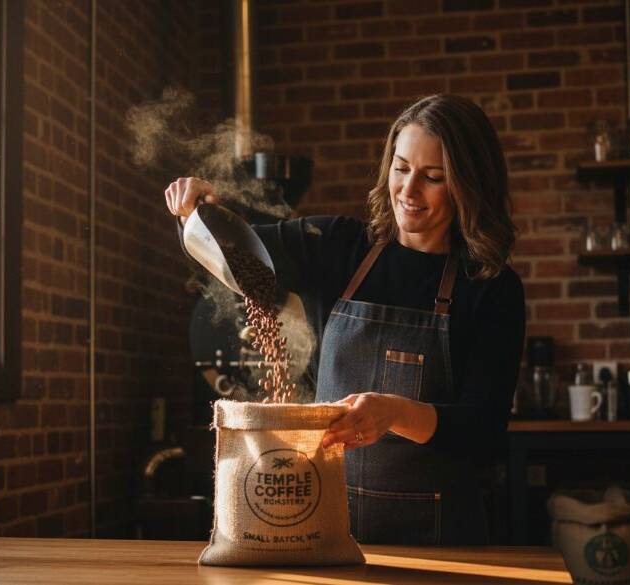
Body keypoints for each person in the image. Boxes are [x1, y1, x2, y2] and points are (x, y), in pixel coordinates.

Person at [164, 94, 525, 546]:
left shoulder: (490, 286)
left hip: (441, 540)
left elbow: (483, 433)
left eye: (433, 178)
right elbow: (233, 255)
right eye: (401, 168)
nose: (408, 192)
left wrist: (394, 413)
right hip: (328, 529)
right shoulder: (337, 246)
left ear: (469, 186)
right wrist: (198, 213)